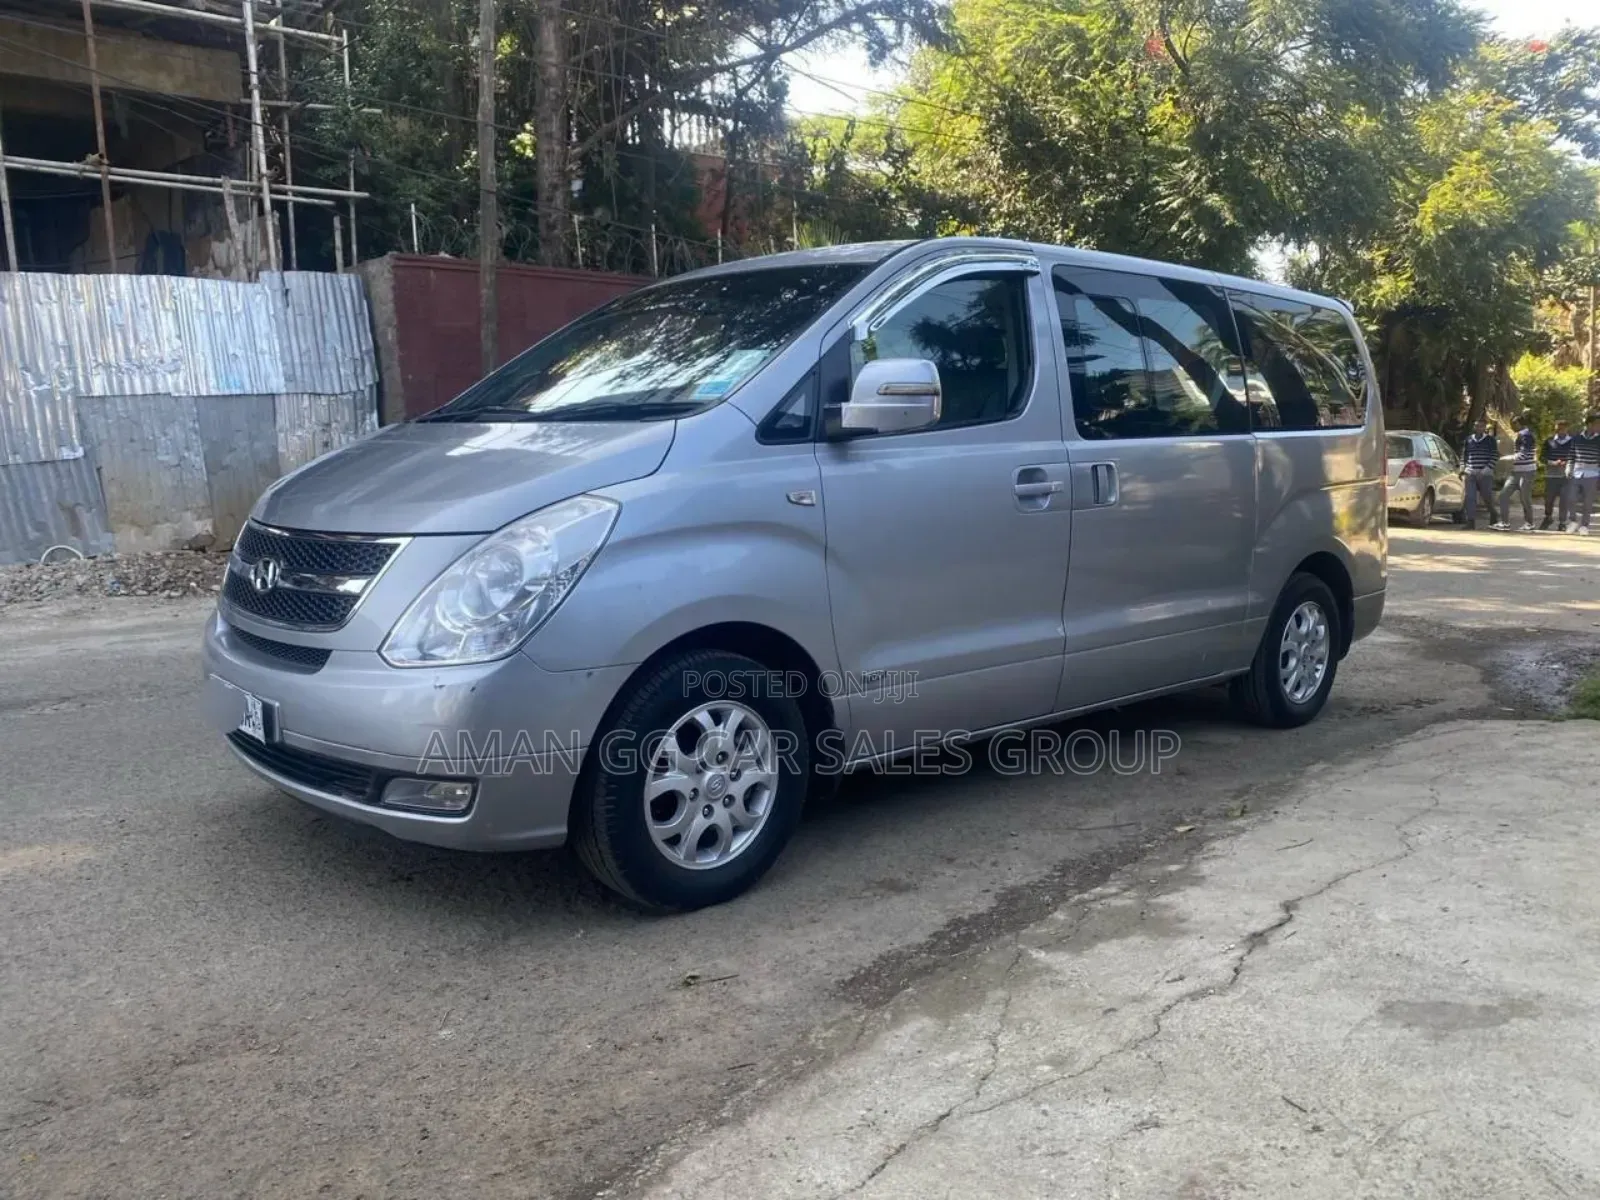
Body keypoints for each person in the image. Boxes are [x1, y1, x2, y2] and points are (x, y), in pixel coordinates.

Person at [1461, 416, 1503, 531]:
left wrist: (1487, 469)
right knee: (1470, 497)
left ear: (1484, 427)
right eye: (1476, 426)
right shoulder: (1469, 439)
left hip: (1485, 473)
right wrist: (1463, 468)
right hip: (1471, 472)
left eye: (1480, 426)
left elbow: (1495, 455)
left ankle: (1493, 514)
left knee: (1487, 497)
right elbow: (1464, 455)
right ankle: (1471, 521)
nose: (1478, 428)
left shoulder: (1490, 440)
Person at [1500, 410, 1538, 530]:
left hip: (1527, 471)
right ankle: (1504, 522)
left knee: (1524, 497)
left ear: (1519, 424)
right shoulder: (1521, 435)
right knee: (1504, 495)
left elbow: (1525, 454)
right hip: (1517, 471)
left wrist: (1507, 458)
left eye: (1513, 425)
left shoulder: (1525, 435)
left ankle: (1529, 523)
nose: (1512, 427)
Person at [1569, 412, 1600, 536]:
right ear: (1589, 424)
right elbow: (1571, 455)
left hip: (1592, 474)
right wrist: (1568, 468)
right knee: (1570, 499)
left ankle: (1584, 526)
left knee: (1588, 502)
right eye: (1597, 424)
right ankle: (1573, 521)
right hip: (1576, 472)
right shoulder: (1576, 438)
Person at [1539, 418, 1573, 531]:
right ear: (1555, 429)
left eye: (1563, 428)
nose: (1560, 431)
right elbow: (1541, 458)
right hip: (1551, 475)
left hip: (1566, 476)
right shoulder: (1549, 441)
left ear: (1567, 429)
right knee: (1549, 499)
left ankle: (1562, 522)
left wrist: (1568, 463)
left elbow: (1576, 456)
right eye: (1558, 428)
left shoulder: (1572, 441)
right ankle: (1548, 517)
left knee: (1564, 500)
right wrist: (1553, 462)